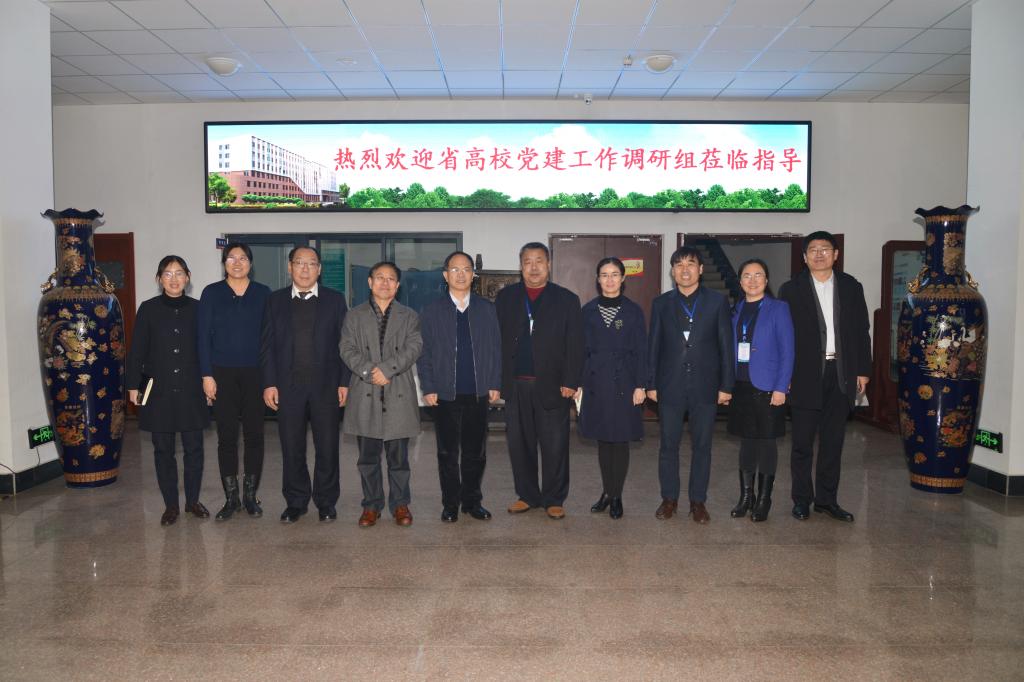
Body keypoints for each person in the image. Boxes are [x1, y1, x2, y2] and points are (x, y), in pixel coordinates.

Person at [778, 231, 871, 523]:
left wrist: (863, 370)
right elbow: (784, 336)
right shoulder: (790, 290)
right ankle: (801, 500)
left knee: (833, 442)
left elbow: (862, 330)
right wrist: (785, 374)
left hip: (841, 373)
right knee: (802, 443)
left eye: (825, 249)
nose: (819, 254)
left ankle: (827, 500)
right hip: (804, 374)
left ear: (836, 254)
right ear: (804, 257)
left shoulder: (851, 286)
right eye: (813, 250)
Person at [259, 246, 350, 524]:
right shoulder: (274, 301)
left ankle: (326, 502)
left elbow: (345, 345)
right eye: (299, 263)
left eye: (311, 263)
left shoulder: (335, 300)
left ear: (319, 269)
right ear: (290, 267)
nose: (305, 269)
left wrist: (344, 382)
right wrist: (269, 383)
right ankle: (296, 502)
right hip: (288, 387)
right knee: (291, 447)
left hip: (326, 386)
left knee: (328, 447)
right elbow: (267, 346)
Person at [496, 242, 583, 519]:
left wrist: (571, 380)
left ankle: (554, 498)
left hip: (554, 385)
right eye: (527, 262)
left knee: (555, 444)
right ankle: (527, 495)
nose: (533, 267)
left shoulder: (567, 299)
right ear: (520, 266)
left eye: (539, 261)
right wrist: (496, 382)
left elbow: (575, 344)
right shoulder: (506, 297)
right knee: (519, 445)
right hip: (516, 384)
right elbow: (496, 342)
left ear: (549, 265)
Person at [647, 246, 734, 524]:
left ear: (701, 269)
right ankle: (669, 499)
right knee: (668, 446)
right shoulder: (661, 303)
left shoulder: (717, 302)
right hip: (669, 385)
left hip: (706, 386)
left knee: (703, 446)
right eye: (679, 265)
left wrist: (726, 385)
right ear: (672, 271)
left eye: (690, 264)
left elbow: (726, 346)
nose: (685, 270)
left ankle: (698, 501)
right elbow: (653, 346)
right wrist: (651, 383)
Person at [126, 255, 209, 526]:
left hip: (191, 390)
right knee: (163, 451)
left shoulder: (199, 309)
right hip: (157, 391)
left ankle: (192, 501)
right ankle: (171, 505)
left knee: (194, 449)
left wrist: (210, 381)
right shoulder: (148, 309)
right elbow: (137, 351)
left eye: (179, 273)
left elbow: (207, 349)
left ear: (188, 277)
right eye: (168, 274)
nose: (174, 279)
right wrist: (133, 386)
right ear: (159, 279)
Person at [418, 251, 501, 523]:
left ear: (473, 275)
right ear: (446, 275)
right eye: (455, 270)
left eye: (466, 269)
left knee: (476, 453)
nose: (461, 274)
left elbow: (496, 349)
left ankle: (472, 502)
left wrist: (494, 382)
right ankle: (450, 504)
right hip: (445, 394)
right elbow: (424, 353)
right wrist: (428, 386)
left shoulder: (486, 309)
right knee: (447, 453)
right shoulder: (432, 311)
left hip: (478, 392)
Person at [341, 261, 423, 528]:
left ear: (397, 286)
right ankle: (371, 505)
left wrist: (387, 369)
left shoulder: (409, 316)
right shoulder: (354, 315)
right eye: (379, 277)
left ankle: (400, 504)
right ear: (369, 282)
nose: (385, 283)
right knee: (367, 458)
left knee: (399, 459)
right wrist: (369, 371)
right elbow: (346, 348)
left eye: (390, 279)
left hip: (397, 389)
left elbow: (414, 347)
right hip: (365, 391)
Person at [198, 242, 271, 521]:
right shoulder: (211, 293)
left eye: (243, 258)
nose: (237, 263)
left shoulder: (263, 293)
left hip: (255, 374)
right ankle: (231, 498)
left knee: (255, 435)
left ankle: (250, 496)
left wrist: (270, 379)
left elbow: (270, 339)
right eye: (231, 258)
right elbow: (202, 337)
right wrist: (207, 375)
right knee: (226, 437)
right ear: (224, 263)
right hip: (222, 374)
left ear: (251, 263)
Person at [577, 257, 648, 520]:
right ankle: (607, 492)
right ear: (598, 279)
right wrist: (578, 383)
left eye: (615, 274)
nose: (609, 280)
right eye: (604, 275)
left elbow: (642, 351)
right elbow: (579, 350)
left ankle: (616, 496)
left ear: (623, 278)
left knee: (620, 441)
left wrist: (641, 384)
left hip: (625, 383)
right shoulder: (587, 311)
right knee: (603, 440)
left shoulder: (633, 311)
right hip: (595, 383)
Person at [727, 259, 794, 522]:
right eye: (747, 275)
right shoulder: (735, 310)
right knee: (746, 442)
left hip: (768, 386)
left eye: (758, 275)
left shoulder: (779, 308)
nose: (752, 280)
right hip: (741, 385)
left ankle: (764, 499)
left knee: (767, 443)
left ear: (766, 280)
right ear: (740, 281)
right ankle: (746, 497)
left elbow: (788, 350)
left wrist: (781, 387)